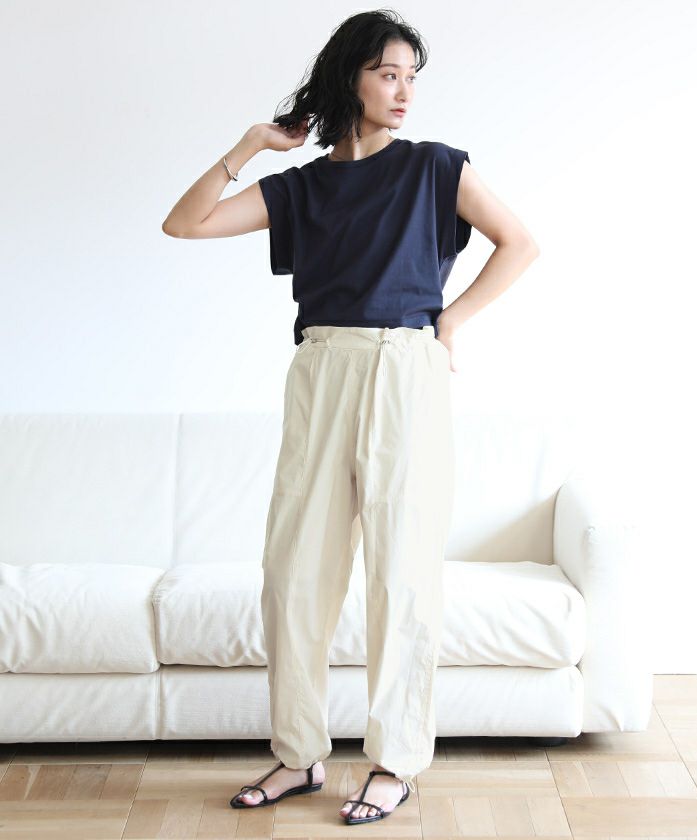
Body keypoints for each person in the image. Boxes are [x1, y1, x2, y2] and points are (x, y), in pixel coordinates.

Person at [162, 9, 539, 827]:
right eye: (387, 74)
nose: (404, 92)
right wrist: (252, 145)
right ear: (350, 78)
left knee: (403, 574)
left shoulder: (437, 167)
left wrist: (450, 321)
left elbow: (519, 242)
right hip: (323, 366)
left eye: (411, 77)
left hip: (405, 370)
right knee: (295, 574)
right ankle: (299, 755)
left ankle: (394, 763)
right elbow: (185, 223)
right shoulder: (303, 187)